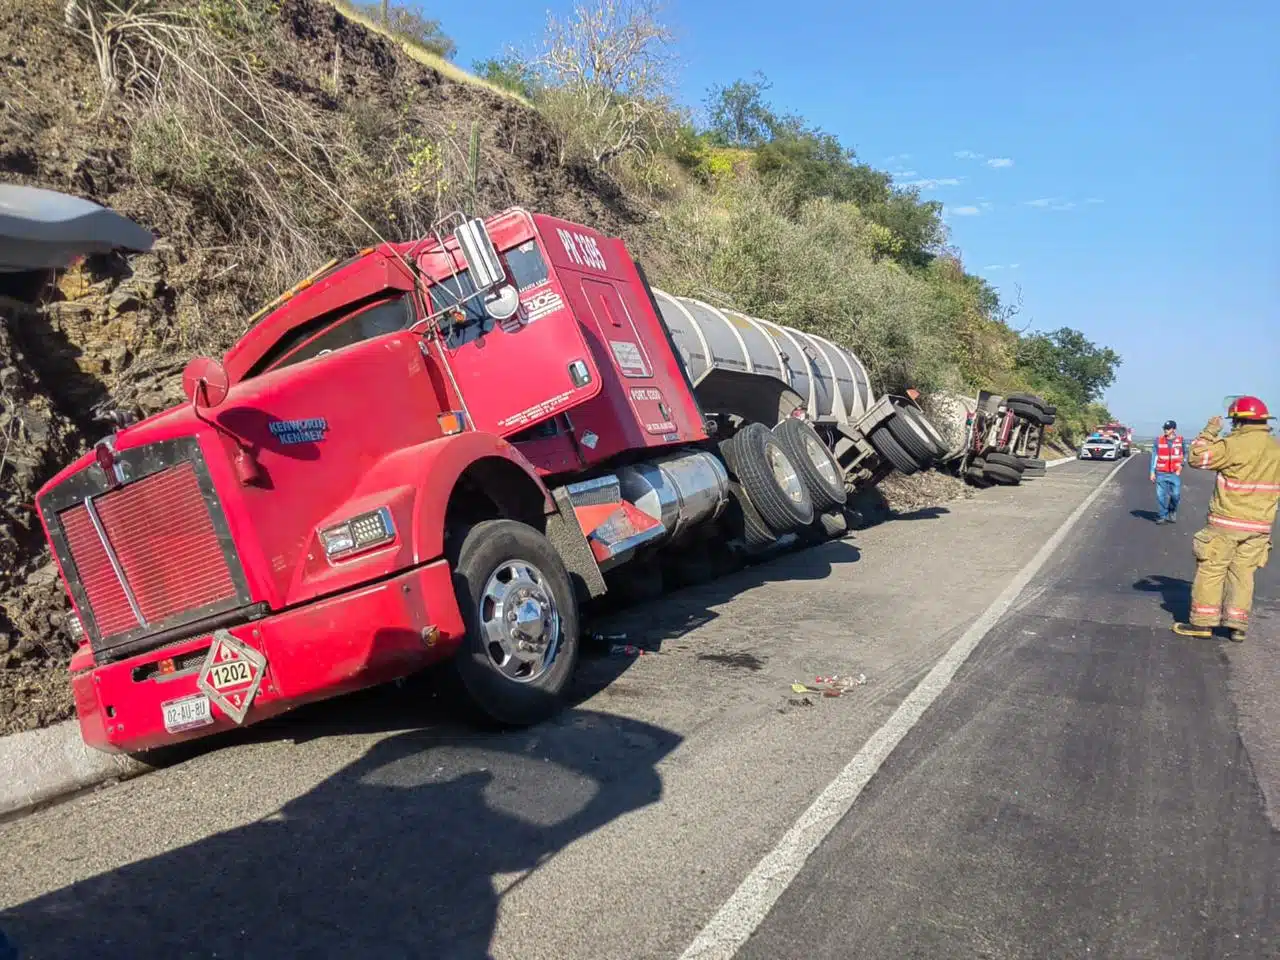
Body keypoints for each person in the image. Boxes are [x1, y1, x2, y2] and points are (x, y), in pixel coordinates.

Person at [1172, 396, 1280, 642]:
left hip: (1227, 522)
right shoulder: (1276, 448)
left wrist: (1210, 431)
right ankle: (1237, 625)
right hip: (1260, 526)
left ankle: (1202, 623)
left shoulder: (1233, 445)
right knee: (1243, 574)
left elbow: (1197, 458)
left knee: (1212, 569)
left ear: (1238, 421)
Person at [1149, 420, 1186, 523]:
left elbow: (1185, 455)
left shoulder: (1180, 440)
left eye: (1168, 428)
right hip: (1161, 472)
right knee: (1161, 496)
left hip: (1174, 473)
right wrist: (1152, 471)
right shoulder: (1158, 440)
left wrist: (1181, 467)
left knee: (1176, 495)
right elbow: (1154, 456)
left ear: (1174, 429)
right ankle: (1162, 516)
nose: (1165, 430)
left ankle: (1172, 510)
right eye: (1164, 428)